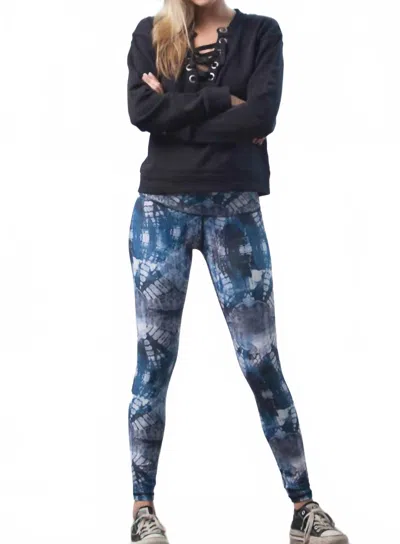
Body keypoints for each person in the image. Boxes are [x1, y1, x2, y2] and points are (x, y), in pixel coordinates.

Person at [126, 2, 349, 543]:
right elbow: (140, 112)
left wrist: (175, 112)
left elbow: (261, 116)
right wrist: (221, 100)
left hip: (236, 214)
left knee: (260, 360)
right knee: (154, 364)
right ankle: (142, 509)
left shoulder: (261, 33)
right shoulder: (151, 34)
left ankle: (304, 507)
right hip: (160, 213)